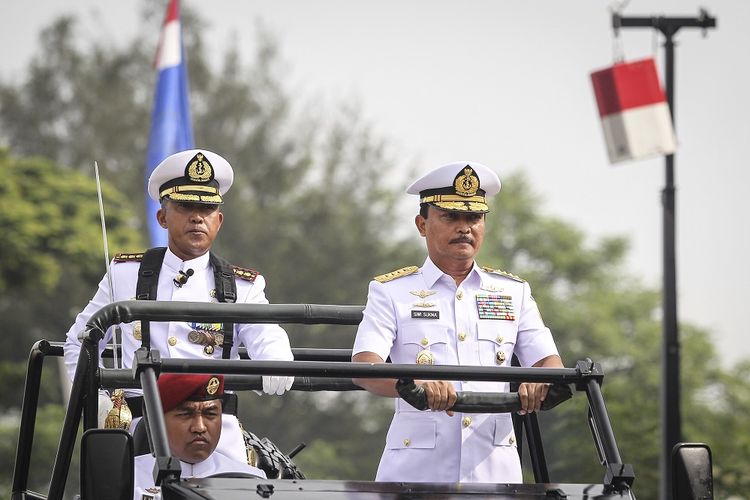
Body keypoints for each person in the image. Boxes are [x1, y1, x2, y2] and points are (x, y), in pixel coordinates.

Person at [64, 149, 294, 463]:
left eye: (207, 207)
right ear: (162, 217)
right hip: (140, 428)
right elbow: (79, 340)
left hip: (214, 432)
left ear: (219, 220)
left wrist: (276, 361)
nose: (198, 216)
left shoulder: (242, 286)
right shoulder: (126, 273)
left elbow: (267, 336)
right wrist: (97, 398)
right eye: (186, 206)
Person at [352, 161, 564, 483]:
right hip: (416, 474)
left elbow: (549, 363)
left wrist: (540, 382)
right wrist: (416, 386)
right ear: (422, 225)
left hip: (494, 473)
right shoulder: (392, 292)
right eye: (450, 217)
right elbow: (365, 368)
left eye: (474, 217)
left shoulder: (513, 292)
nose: (464, 228)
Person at [133, 374, 265, 500]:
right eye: (186, 414)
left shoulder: (253, 480)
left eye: (210, 414)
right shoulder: (130, 477)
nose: (200, 427)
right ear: (158, 420)